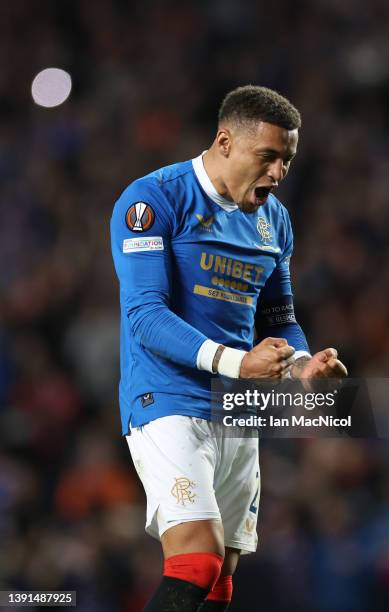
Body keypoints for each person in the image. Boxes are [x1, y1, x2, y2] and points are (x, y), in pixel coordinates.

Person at [110, 85, 347, 612]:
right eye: (267, 156)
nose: (278, 173)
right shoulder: (153, 200)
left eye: (286, 159)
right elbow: (145, 316)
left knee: (223, 575)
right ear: (224, 142)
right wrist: (238, 361)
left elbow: (279, 320)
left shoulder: (275, 221)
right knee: (196, 559)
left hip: (238, 406)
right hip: (166, 396)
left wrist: (304, 367)